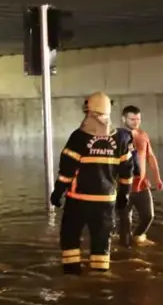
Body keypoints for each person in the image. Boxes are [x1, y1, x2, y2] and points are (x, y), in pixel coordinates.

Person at [51, 91, 134, 274]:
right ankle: (100, 282)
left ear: (90, 112)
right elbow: (127, 171)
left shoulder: (79, 137)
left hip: (79, 199)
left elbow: (67, 170)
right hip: (106, 202)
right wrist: (124, 195)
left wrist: (58, 192)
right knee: (102, 240)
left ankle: (72, 277)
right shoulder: (121, 138)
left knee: (70, 237)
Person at [117, 105, 163, 247]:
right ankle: (125, 255)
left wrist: (157, 178)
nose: (136, 122)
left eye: (138, 119)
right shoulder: (116, 136)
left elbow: (150, 157)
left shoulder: (143, 135)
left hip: (141, 184)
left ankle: (137, 237)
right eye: (132, 119)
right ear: (124, 119)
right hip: (123, 186)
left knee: (148, 216)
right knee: (125, 223)